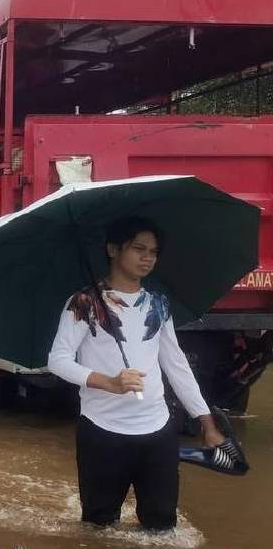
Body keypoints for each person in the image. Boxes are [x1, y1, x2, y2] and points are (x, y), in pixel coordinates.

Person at [47, 216, 226, 531]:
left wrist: (206, 422)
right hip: (102, 433)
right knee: (99, 529)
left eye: (154, 252)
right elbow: (58, 360)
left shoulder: (158, 304)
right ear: (113, 249)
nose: (148, 258)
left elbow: (176, 364)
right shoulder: (84, 302)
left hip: (157, 431)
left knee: (162, 528)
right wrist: (110, 383)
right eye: (139, 249)